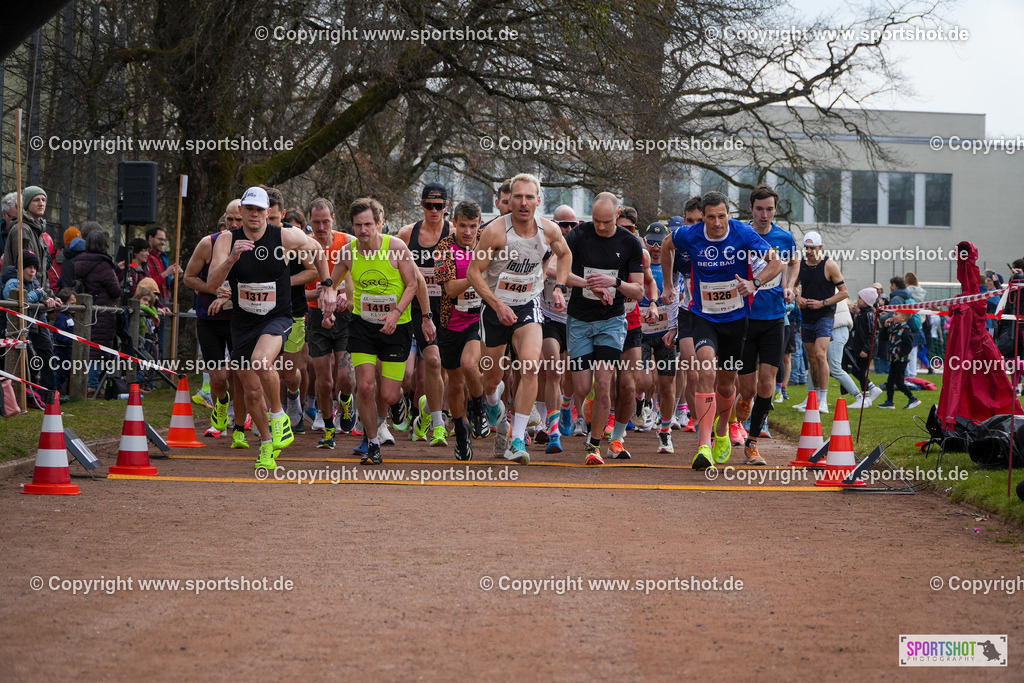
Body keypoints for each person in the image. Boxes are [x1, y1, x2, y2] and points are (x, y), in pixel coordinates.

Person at [206, 186, 325, 471]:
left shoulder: (284, 236)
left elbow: (319, 251)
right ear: (241, 212)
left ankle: (279, 414)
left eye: (260, 210)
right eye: (249, 210)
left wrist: (329, 286)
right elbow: (211, 284)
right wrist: (232, 259)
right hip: (243, 321)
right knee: (250, 391)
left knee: (262, 361)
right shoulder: (226, 240)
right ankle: (268, 444)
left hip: (277, 316)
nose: (255, 215)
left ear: (268, 212)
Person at [662, 191, 782, 469]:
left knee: (727, 384)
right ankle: (704, 446)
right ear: (703, 217)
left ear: (729, 214)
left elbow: (776, 263)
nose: (717, 223)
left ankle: (722, 430)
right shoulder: (689, 234)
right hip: (703, 316)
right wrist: (668, 285)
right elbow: (667, 246)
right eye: (711, 217)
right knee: (706, 371)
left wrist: (755, 284)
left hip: (736, 319)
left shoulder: (743, 233)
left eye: (722, 216)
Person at [467, 173, 571, 465]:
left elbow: (565, 255)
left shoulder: (549, 230)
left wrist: (560, 288)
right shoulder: (495, 232)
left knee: (529, 366)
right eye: (518, 197)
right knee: (492, 378)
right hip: (495, 308)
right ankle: (492, 403)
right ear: (509, 200)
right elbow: (474, 272)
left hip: (528, 304)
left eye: (529, 197)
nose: (524, 203)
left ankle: (516, 439)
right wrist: (497, 304)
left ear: (539, 200)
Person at [322, 197, 427, 466]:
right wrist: (329, 304)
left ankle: (397, 404)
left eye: (369, 224)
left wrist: (396, 312)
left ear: (380, 223)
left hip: (396, 326)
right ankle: (373, 443)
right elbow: (331, 284)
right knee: (366, 387)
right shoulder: (348, 252)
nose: (363, 230)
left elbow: (413, 284)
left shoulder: (397, 248)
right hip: (363, 326)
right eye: (358, 225)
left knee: (390, 394)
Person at [564, 193, 644, 465]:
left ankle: (594, 446)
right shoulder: (579, 235)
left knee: (605, 381)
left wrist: (614, 282)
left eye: (607, 222)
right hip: (579, 320)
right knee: (583, 386)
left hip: (612, 320)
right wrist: (588, 284)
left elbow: (639, 291)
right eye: (597, 221)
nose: (601, 227)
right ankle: (588, 412)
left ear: (618, 214)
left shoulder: (629, 242)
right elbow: (555, 270)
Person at [734, 185, 797, 465]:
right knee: (747, 390)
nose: (764, 214)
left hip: (774, 319)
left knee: (767, 382)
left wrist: (790, 286)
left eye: (769, 209)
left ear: (775, 209)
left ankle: (752, 443)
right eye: (759, 209)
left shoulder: (784, 237)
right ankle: (743, 404)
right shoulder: (739, 235)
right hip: (744, 319)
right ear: (751, 208)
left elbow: (793, 263)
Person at [183, 199, 247, 445]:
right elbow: (189, 277)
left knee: (241, 377)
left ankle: (239, 429)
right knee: (219, 379)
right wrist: (210, 288)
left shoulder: (255, 246)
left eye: (238, 220)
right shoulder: (208, 244)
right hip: (210, 319)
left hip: (241, 320)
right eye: (229, 219)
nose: (233, 224)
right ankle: (221, 403)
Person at [397, 183, 451, 446]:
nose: (434, 210)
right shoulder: (408, 234)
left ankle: (434, 420)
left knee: (441, 367)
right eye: (429, 205)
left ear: (446, 207)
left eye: (439, 206)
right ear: (422, 205)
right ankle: (422, 414)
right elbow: (394, 268)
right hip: (417, 309)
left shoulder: (455, 233)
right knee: (410, 375)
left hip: (448, 307)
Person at [435, 199, 488, 460]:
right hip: (449, 321)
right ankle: (461, 428)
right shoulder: (444, 248)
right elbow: (450, 289)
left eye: (473, 226)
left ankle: (479, 406)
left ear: (479, 226)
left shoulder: (485, 245)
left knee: (470, 366)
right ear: (453, 223)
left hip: (478, 319)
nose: (468, 231)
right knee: (455, 382)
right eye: (463, 225)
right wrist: (475, 276)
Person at [303, 198, 356, 449]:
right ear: (309, 222)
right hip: (316, 315)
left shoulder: (347, 242)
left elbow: (358, 275)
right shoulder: (304, 246)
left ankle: (345, 401)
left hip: (345, 315)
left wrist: (345, 295)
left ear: (333, 218)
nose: (321, 227)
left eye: (325, 221)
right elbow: (294, 289)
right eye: (316, 222)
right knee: (323, 380)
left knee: (346, 378)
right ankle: (327, 428)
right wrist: (322, 294)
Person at [791, 231, 848, 413]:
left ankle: (823, 399)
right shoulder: (801, 265)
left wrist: (822, 303)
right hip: (806, 316)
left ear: (820, 248)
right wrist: (797, 297)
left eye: (812, 248)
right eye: (806, 248)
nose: (808, 251)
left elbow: (844, 292)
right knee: (811, 358)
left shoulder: (829, 265)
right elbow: (791, 284)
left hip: (825, 315)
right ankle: (813, 397)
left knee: (820, 354)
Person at [637, 222, 680, 454]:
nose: (655, 247)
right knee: (643, 381)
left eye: (659, 242)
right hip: (642, 332)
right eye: (651, 242)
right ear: (645, 242)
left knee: (666, 384)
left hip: (665, 333)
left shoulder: (673, 268)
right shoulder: (639, 262)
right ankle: (639, 400)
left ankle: (665, 431)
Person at [1, 250, 59, 391]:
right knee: (16, 364)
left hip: (25, 328)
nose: (32, 271)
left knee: (38, 358)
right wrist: (39, 294)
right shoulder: (12, 282)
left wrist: (48, 303)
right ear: (21, 268)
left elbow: (34, 306)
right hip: (8, 330)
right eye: (29, 267)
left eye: (35, 268)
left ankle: (45, 393)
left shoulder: (32, 283)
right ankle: (18, 396)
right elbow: (17, 299)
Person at [74, 230, 121, 391]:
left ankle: (83, 384)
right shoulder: (103, 264)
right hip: (102, 313)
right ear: (104, 245)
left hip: (87, 310)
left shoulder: (81, 262)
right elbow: (115, 290)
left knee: (87, 347)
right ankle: (92, 386)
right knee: (98, 350)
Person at [144, 226, 183, 360]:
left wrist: (176, 277)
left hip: (165, 305)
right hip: (152, 306)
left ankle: (156, 376)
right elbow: (149, 285)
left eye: (164, 240)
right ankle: (147, 379)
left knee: (162, 347)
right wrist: (166, 273)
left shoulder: (162, 258)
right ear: (150, 238)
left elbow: (170, 286)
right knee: (151, 345)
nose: (163, 243)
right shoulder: (147, 257)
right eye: (160, 239)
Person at [3, 187, 50, 287]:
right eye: (36, 200)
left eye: (43, 200)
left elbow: (42, 272)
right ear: (27, 204)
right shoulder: (22, 229)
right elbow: (26, 270)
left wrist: (49, 295)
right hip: (21, 293)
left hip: (35, 294)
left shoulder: (39, 231)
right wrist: (42, 296)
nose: (41, 204)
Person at [876, 311, 921, 410]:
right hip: (894, 359)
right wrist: (885, 326)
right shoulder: (894, 328)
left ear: (903, 318)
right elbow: (883, 337)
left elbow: (908, 346)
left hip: (901, 360)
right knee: (890, 381)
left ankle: (913, 398)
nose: (893, 316)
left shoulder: (905, 330)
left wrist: (900, 354)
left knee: (899, 382)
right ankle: (889, 402)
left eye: (896, 314)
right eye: (893, 314)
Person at [848, 288, 883, 407]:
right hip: (860, 348)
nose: (858, 300)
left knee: (860, 371)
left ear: (867, 301)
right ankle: (872, 388)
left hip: (865, 350)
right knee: (856, 371)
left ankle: (865, 398)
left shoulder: (869, 315)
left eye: (860, 298)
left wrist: (866, 349)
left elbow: (872, 334)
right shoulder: (862, 314)